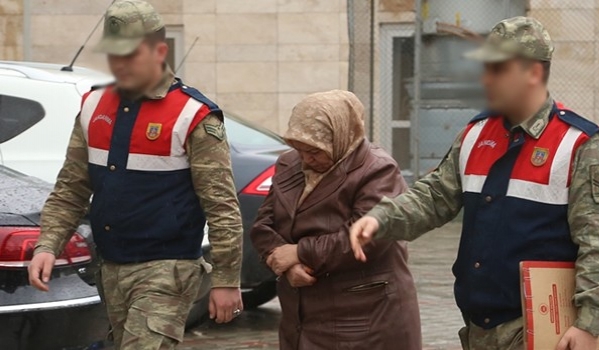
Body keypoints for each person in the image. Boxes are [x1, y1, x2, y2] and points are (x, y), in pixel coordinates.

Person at [350, 16, 599, 350]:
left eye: (498, 70)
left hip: (544, 328)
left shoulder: (582, 145)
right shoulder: (476, 133)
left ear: (533, 73)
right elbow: (435, 196)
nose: (485, 79)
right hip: (478, 328)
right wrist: (380, 218)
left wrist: (589, 325)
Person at [27, 1, 243, 349]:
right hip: (109, 266)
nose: (120, 64)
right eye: (114, 54)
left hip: (168, 270)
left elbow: (222, 207)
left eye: (131, 53)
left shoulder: (194, 116)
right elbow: (71, 188)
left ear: (159, 51)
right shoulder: (93, 105)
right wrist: (47, 245)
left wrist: (227, 280)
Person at [250, 90, 421, 350]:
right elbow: (264, 224)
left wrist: (300, 253)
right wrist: (283, 261)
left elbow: (369, 238)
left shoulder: (377, 169)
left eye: (315, 151)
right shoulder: (289, 164)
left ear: (341, 135)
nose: (306, 159)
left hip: (365, 317)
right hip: (301, 316)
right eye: (299, 148)